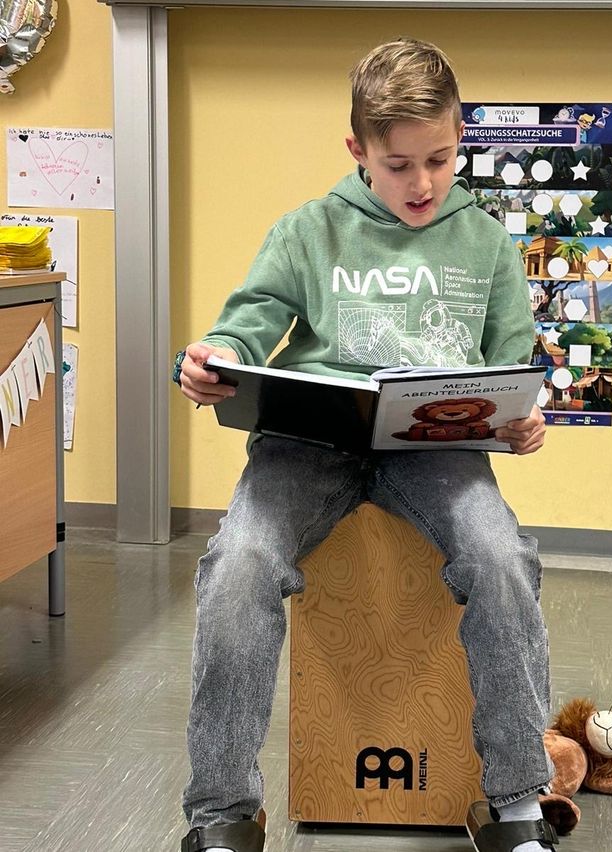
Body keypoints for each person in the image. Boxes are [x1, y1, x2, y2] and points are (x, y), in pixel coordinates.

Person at [175, 37, 557, 852]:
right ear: (357, 151)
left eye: (440, 159)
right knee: (238, 562)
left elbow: (515, 367)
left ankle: (518, 807)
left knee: (500, 557)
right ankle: (221, 816)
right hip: (308, 443)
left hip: (438, 450)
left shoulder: (487, 244)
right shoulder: (307, 230)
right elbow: (246, 326)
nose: (421, 183)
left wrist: (526, 416)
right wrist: (215, 360)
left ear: (461, 140)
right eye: (397, 165)